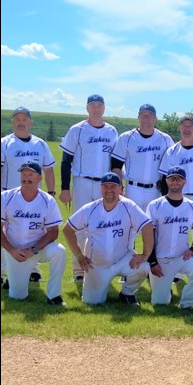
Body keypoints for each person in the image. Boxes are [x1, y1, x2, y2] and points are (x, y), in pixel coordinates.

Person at [62, 173, 154, 306]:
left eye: (113, 186)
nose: (109, 190)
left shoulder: (129, 206)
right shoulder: (90, 209)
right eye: (105, 186)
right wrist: (79, 256)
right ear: (101, 188)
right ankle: (98, 288)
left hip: (123, 260)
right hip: (96, 265)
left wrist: (145, 255)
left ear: (120, 188)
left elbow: (147, 225)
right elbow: (67, 229)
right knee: (92, 302)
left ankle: (127, 293)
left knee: (143, 267)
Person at [59, 94, 119, 282]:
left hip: (106, 184)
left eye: (100, 105)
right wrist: (65, 188)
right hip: (82, 181)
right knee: (80, 226)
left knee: (105, 225)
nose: (96, 109)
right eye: (93, 105)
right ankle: (79, 269)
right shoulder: (77, 129)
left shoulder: (111, 131)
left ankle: (102, 266)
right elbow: (65, 161)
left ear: (104, 108)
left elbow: (116, 161)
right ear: (87, 108)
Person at [1, 106, 56, 285]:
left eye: (24, 119)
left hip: (34, 197)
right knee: (6, 235)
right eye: (17, 119)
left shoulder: (40, 143)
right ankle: (3, 272)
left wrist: (51, 193)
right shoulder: (5, 143)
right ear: (13, 122)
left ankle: (32, 270)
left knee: (33, 231)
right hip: (8, 195)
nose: (21, 122)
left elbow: (48, 169)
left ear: (30, 122)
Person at [0, 162, 67, 305]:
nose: (26, 178)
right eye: (23, 174)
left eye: (31, 174)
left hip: (38, 249)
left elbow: (53, 232)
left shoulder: (48, 200)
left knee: (59, 251)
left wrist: (34, 250)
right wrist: (12, 250)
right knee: (18, 297)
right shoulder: (5, 197)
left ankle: (54, 296)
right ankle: (12, 280)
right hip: (15, 251)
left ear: (39, 178)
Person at [145, 168, 193, 308]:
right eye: (172, 178)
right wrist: (153, 262)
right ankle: (166, 292)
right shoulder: (155, 205)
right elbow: (149, 235)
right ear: (166, 180)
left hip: (182, 257)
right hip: (161, 260)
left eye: (179, 178)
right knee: (160, 303)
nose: (175, 181)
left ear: (185, 181)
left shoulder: (192, 206)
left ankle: (187, 303)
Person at [111, 104, 174, 211]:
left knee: (153, 225)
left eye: (149, 115)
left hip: (155, 190)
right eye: (143, 115)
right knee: (132, 225)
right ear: (138, 117)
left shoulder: (165, 139)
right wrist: (118, 186)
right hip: (133, 189)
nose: (146, 118)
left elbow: (171, 166)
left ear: (155, 118)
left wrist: (166, 187)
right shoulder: (127, 137)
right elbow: (116, 165)